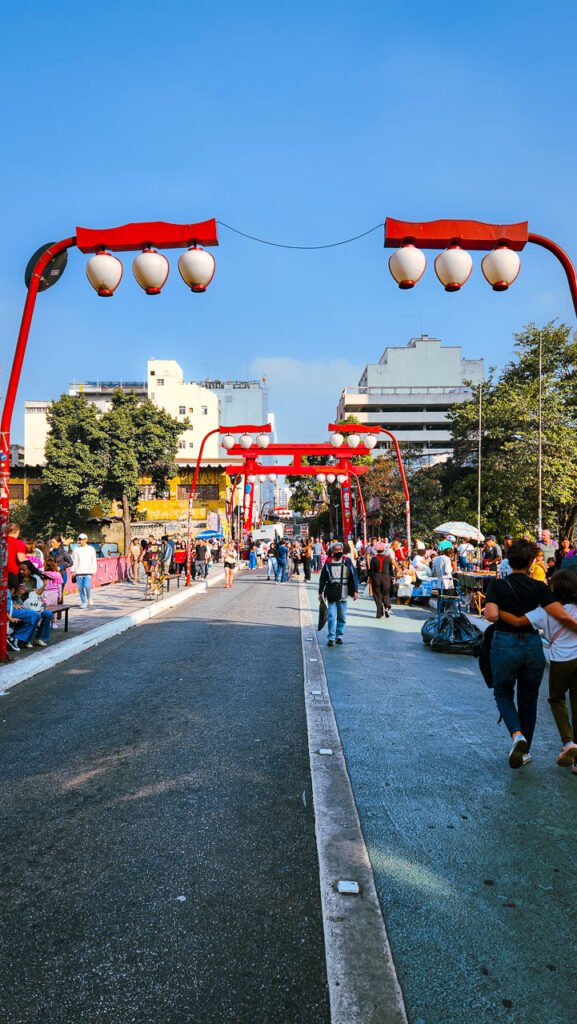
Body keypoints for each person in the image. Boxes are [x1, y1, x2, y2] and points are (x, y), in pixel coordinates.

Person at [484, 539, 577, 769]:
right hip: (533, 647)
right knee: (529, 698)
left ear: (507, 558)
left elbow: (491, 616)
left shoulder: (497, 586)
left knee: (503, 692)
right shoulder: (539, 588)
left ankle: (517, 736)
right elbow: (563, 616)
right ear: (532, 562)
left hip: (505, 643)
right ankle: (528, 749)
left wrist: (502, 609)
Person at [319, 541, 359, 646]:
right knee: (331, 615)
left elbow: (354, 576)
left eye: (340, 550)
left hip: (344, 593)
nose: (338, 551)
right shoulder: (328, 562)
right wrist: (320, 592)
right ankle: (331, 637)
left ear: (342, 550)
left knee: (342, 616)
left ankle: (339, 636)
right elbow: (322, 578)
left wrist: (355, 591)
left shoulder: (347, 561)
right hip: (332, 592)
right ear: (332, 551)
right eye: (336, 550)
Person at [368, 542, 396, 619]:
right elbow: (391, 570)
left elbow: (371, 571)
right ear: (383, 549)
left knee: (378, 595)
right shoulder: (388, 558)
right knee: (386, 594)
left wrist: (369, 578)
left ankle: (379, 613)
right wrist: (393, 577)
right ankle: (387, 606)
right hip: (386, 578)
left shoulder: (373, 559)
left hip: (376, 578)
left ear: (376, 550)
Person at [72, 533, 98, 609]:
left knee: (86, 586)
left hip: (88, 571)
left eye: (82, 539)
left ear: (86, 540)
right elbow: (74, 560)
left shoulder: (90, 549)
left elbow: (93, 560)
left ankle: (89, 597)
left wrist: (93, 570)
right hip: (79, 572)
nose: (81, 541)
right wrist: (73, 570)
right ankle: (84, 602)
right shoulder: (76, 549)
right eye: (79, 539)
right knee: (80, 588)